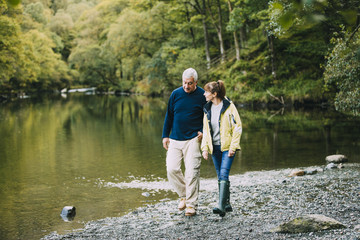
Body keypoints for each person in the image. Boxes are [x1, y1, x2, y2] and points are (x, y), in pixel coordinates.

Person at [162, 68, 207, 216]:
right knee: (172, 169)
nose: (186, 86)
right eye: (184, 83)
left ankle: (191, 205)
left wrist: (203, 131)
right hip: (175, 138)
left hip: (193, 138)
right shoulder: (175, 94)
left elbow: (208, 116)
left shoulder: (202, 95)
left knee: (192, 172)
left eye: (190, 83)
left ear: (196, 82)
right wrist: (165, 135)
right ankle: (184, 195)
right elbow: (169, 115)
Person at [201, 80, 242, 217]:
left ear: (214, 94)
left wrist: (233, 146)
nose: (204, 94)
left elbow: (238, 127)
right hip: (215, 148)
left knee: (224, 173)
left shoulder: (229, 107)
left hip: (227, 147)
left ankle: (220, 205)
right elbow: (206, 131)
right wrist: (205, 148)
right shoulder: (207, 109)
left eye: (207, 92)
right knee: (220, 175)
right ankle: (226, 204)